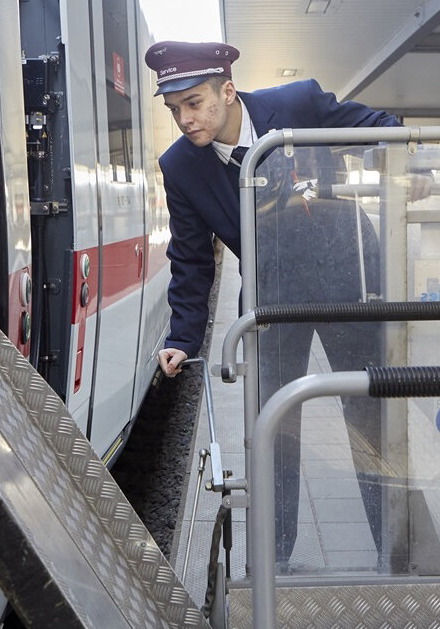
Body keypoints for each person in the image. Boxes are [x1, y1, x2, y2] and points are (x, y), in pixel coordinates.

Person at [146, 40, 407, 570]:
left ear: (228, 89)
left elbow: (380, 125)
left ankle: (395, 549)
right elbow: (192, 260)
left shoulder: (297, 105)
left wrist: (399, 168)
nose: (185, 120)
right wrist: (182, 338)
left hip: (350, 287)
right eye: (174, 109)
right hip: (271, 299)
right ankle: (275, 560)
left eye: (194, 103)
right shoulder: (180, 167)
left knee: (369, 417)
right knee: (274, 427)